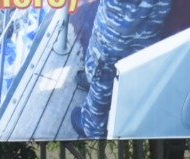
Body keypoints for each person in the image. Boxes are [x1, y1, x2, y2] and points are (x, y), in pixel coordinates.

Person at [72, 0, 175, 138]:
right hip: (150, 21)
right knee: (135, 62)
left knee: (103, 71)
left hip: (118, 25)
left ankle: (92, 127)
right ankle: (98, 82)